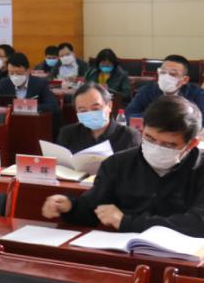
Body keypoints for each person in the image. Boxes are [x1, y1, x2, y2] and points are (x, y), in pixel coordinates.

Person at [43, 95, 204, 235]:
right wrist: (69, 206)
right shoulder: (117, 164)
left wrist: (126, 222)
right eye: (150, 138)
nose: (156, 148)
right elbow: (94, 208)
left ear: (191, 144)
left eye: (168, 145)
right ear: (142, 129)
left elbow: (197, 223)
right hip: (124, 250)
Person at [56, 83, 140, 154]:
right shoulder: (67, 134)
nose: (90, 114)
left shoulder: (129, 136)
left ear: (110, 106)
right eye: (83, 110)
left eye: (95, 109)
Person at [125, 55, 204, 119]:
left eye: (173, 74)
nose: (166, 77)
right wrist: (158, 117)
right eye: (163, 72)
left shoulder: (196, 93)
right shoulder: (146, 91)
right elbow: (129, 115)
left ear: (185, 80)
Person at [0, 53, 61, 125]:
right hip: (11, 122)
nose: (15, 76)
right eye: (11, 73)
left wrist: (26, 106)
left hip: (33, 123)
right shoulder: (4, 83)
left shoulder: (40, 83)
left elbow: (53, 106)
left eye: (18, 73)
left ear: (28, 71)